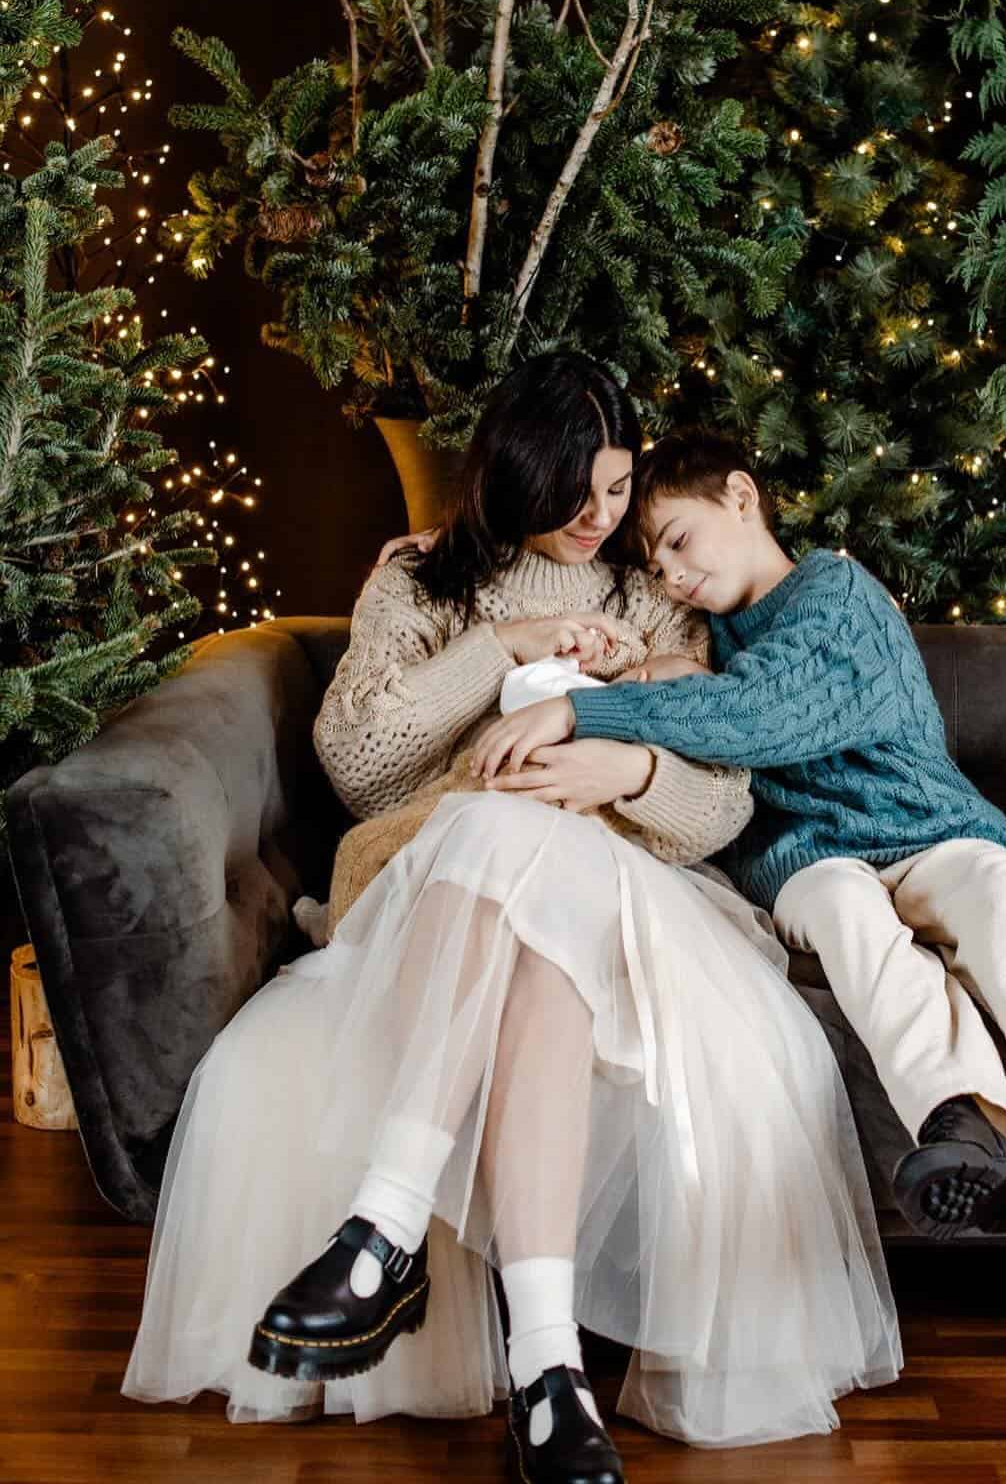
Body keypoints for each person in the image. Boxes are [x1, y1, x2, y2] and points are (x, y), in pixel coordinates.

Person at [122, 359, 900, 1482]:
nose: (602, 518)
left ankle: (382, 1235)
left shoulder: (650, 598)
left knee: (525, 852)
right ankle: (549, 1373)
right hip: (430, 887)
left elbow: (720, 804)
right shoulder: (423, 587)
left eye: (622, 489)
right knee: (497, 845)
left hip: (626, 891)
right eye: (575, 490)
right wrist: (501, 653)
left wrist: (624, 767)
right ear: (511, 474)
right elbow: (361, 770)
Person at [472, 428, 1006, 1260]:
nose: (672, 574)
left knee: (1003, 903)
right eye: (656, 566)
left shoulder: (838, 594)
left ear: (743, 497)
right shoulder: (694, 638)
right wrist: (449, 542)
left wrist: (588, 712)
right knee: (847, 922)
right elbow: (569, 582)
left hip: (930, 832)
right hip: (805, 859)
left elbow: (757, 714)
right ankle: (959, 1127)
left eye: (680, 541)